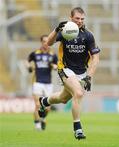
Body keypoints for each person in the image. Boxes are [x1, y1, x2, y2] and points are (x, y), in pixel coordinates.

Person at [38, 7, 100, 140]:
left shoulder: (88, 35)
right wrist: (56, 29)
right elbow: (48, 43)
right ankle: (77, 128)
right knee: (78, 93)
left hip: (82, 72)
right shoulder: (66, 31)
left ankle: (44, 101)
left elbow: (96, 58)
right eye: (77, 18)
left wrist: (89, 76)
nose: (80, 21)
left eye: (82, 19)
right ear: (71, 18)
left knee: (63, 98)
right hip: (65, 69)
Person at [26, 34, 58, 131]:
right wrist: (29, 66)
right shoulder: (35, 53)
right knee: (37, 105)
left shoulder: (53, 55)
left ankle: (43, 118)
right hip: (37, 81)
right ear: (41, 42)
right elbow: (27, 62)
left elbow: (57, 66)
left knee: (48, 107)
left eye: (47, 41)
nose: (46, 43)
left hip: (48, 83)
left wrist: (53, 66)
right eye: (44, 41)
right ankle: (37, 125)